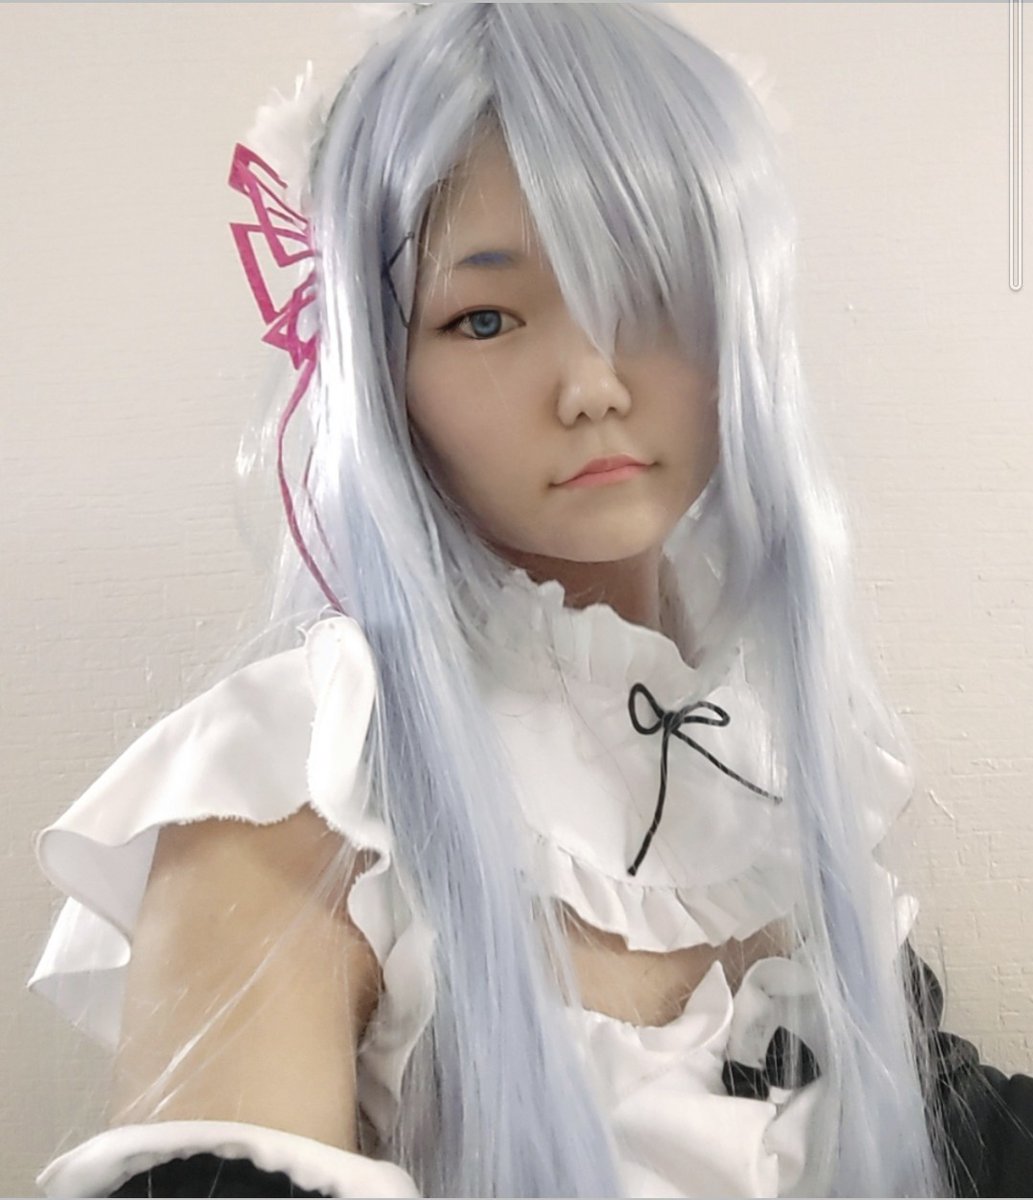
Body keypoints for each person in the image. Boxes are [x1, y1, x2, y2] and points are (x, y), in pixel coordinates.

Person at [26, 4, 1033, 1197]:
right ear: (381, 368)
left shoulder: (785, 766)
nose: (591, 385)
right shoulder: (302, 790)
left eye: (649, 288)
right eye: (485, 318)